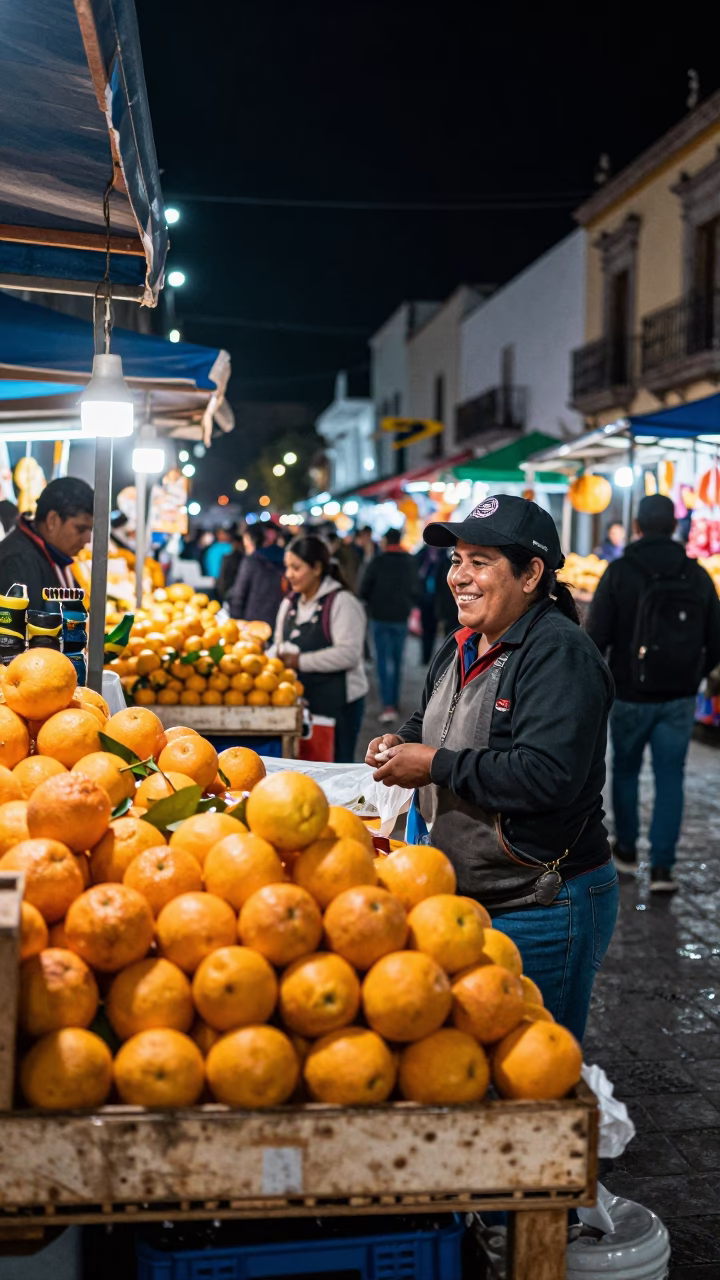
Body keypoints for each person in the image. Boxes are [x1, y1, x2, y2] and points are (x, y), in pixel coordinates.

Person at [365, 495, 616, 1042]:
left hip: (541, 902)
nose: (460, 576)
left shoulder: (559, 655)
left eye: (480, 562)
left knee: (532, 1064)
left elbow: (546, 775)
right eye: (457, 560)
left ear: (531, 574)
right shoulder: (462, 642)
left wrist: (434, 764)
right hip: (468, 895)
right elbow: (427, 719)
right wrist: (399, 742)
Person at [587, 494, 720, 892]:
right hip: (679, 697)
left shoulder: (621, 570)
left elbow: (596, 637)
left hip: (629, 693)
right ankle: (663, 868)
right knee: (670, 777)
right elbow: (716, 638)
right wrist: (693, 673)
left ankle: (626, 850)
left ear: (638, 526)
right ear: (675, 526)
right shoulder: (696, 574)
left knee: (625, 770)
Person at [275, 535, 368, 763]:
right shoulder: (289, 604)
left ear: (317, 568)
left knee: (336, 768)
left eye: (296, 568)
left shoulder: (342, 602)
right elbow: (278, 644)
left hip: (339, 705)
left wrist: (299, 661)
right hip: (301, 704)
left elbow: (349, 654)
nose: (289, 574)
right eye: (287, 567)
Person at [0, 477, 93, 610]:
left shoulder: (55, 556)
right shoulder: (15, 563)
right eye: (81, 529)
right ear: (52, 520)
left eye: (90, 530)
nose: (88, 539)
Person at [359, 528, 418, 723]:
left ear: (385, 541)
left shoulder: (377, 561)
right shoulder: (409, 561)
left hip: (380, 617)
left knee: (383, 662)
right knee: (397, 661)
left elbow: (363, 589)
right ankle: (394, 701)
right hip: (401, 617)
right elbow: (418, 588)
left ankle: (388, 704)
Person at [228, 526, 284, 627]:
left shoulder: (251, 561)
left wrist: (234, 621)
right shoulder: (285, 558)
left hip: (253, 621)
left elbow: (239, 592)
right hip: (278, 617)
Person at [414, 544, 447, 663]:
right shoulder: (423, 555)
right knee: (425, 629)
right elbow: (417, 573)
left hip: (438, 600)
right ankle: (425, 656)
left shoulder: (444, 556)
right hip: (424, 599)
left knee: (433, 629)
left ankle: (430, 655)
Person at [216, 527, 244, 604]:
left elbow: (223, 577)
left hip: (229, 593)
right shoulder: (245, 559)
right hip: (237, 594)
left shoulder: (228, 558)